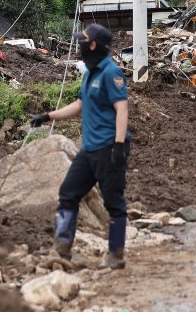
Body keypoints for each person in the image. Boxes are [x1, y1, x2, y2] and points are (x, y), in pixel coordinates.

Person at [29, 23, 131, 270]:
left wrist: (118, 145)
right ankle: (61, 250)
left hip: (109, 147)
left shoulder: (111, 72)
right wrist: (48, 116)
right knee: (68, 193)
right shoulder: (89, 74)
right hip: (89, 149)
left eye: (83, 41)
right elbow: (79, 106)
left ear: (94, 45)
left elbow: (122, 109)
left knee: (114, 202)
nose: (80, 46)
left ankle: (115, 255)